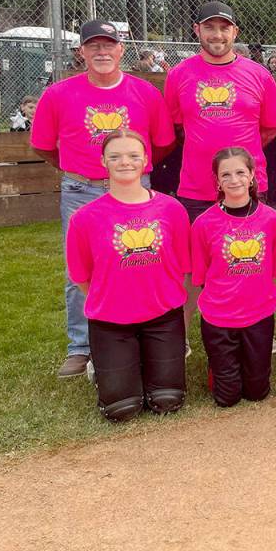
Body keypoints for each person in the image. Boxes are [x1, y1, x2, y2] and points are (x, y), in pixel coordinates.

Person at [31, 19, 176, 378]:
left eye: (108, 45)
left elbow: (163, 142)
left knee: (140, 256)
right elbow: (44, 145)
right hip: (82, 190)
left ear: (120, 50)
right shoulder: (59, 94)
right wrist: (79, 171)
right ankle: (80, 347)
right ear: (81, 52)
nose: (101, 52)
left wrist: (132, 174)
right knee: (79, 267)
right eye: (93, 46)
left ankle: (140, 332)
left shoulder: (144, 93)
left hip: (134, 189)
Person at [163, 1, 276, 345]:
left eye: (224, 28)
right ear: (196, 30)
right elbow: (177, 124)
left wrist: (238, 168)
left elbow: (269, 129)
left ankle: (257, 324)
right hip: (198, 186)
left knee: (251, 257)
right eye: (209, 27)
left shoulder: (259, 75)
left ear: (235, 33)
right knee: (190, 265)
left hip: (248, 186)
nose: (217, 34)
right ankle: (180, 336)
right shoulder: (180, 75)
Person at [65, 129, 190, 421]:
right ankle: (110, 364)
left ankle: (147, 360)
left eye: (134, 155)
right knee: (122, 409)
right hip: (112, 321)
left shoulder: (171, 209)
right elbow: (81, 276)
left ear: (146, 161)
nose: (125, 162)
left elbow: (184, 265)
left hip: (162, 316)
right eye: (116, 156)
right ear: (104, 162)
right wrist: (110, 299)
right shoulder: (84, 218)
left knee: (167, 399)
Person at [191, 147, 276, 407]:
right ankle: (218, 364)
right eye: (226, 174)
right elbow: (200, 274)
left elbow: (274, 267)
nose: (234, 180)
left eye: (241, 172)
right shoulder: (204, 223)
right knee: (226, 398)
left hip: (258, 312)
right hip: (220, 316)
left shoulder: (271, 219)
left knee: (257, 392)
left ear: (252, 175)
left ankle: (247, 360)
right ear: (217, 181)